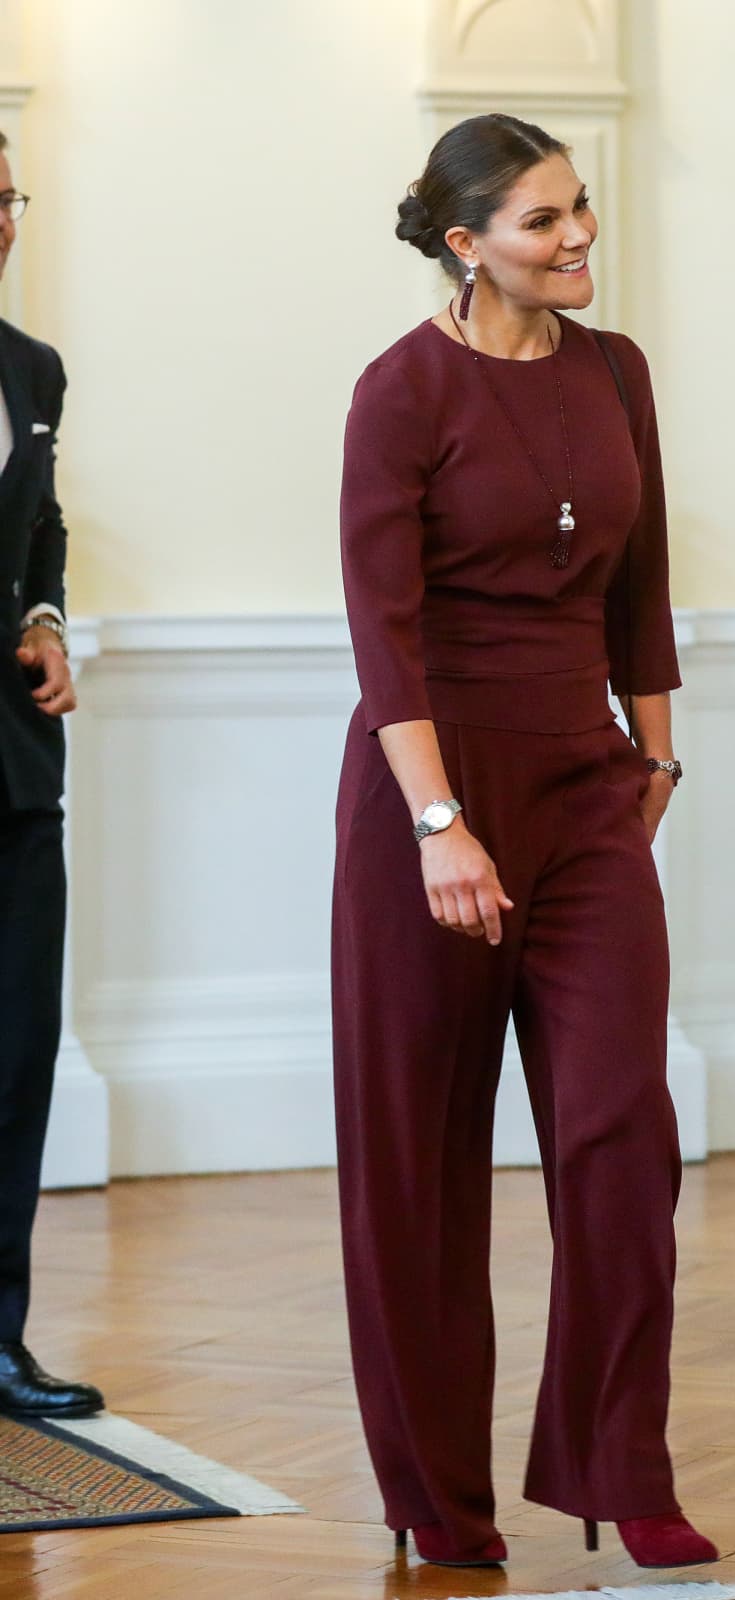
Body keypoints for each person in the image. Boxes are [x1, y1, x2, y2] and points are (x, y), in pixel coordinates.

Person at [331, 113, 716, 1571]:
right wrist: (440, 826)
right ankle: (441, 1498)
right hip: (430, 792)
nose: (578, 237)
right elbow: (386, 635)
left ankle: (624, 1467)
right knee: (418, 1161)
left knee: (622, 1133)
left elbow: (643, 588)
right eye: (543, 220)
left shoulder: (618, 373)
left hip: (586, 783)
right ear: (465, 243)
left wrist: (655, 756)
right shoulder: (400, 391)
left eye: (580, 207)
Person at [0, 131, 103, 1419]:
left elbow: (43, 528)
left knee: (16, 1059)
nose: (0, 220)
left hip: (17, 773)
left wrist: (43, 620)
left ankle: (1, 1340)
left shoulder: (33, 369)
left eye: (5, 196)